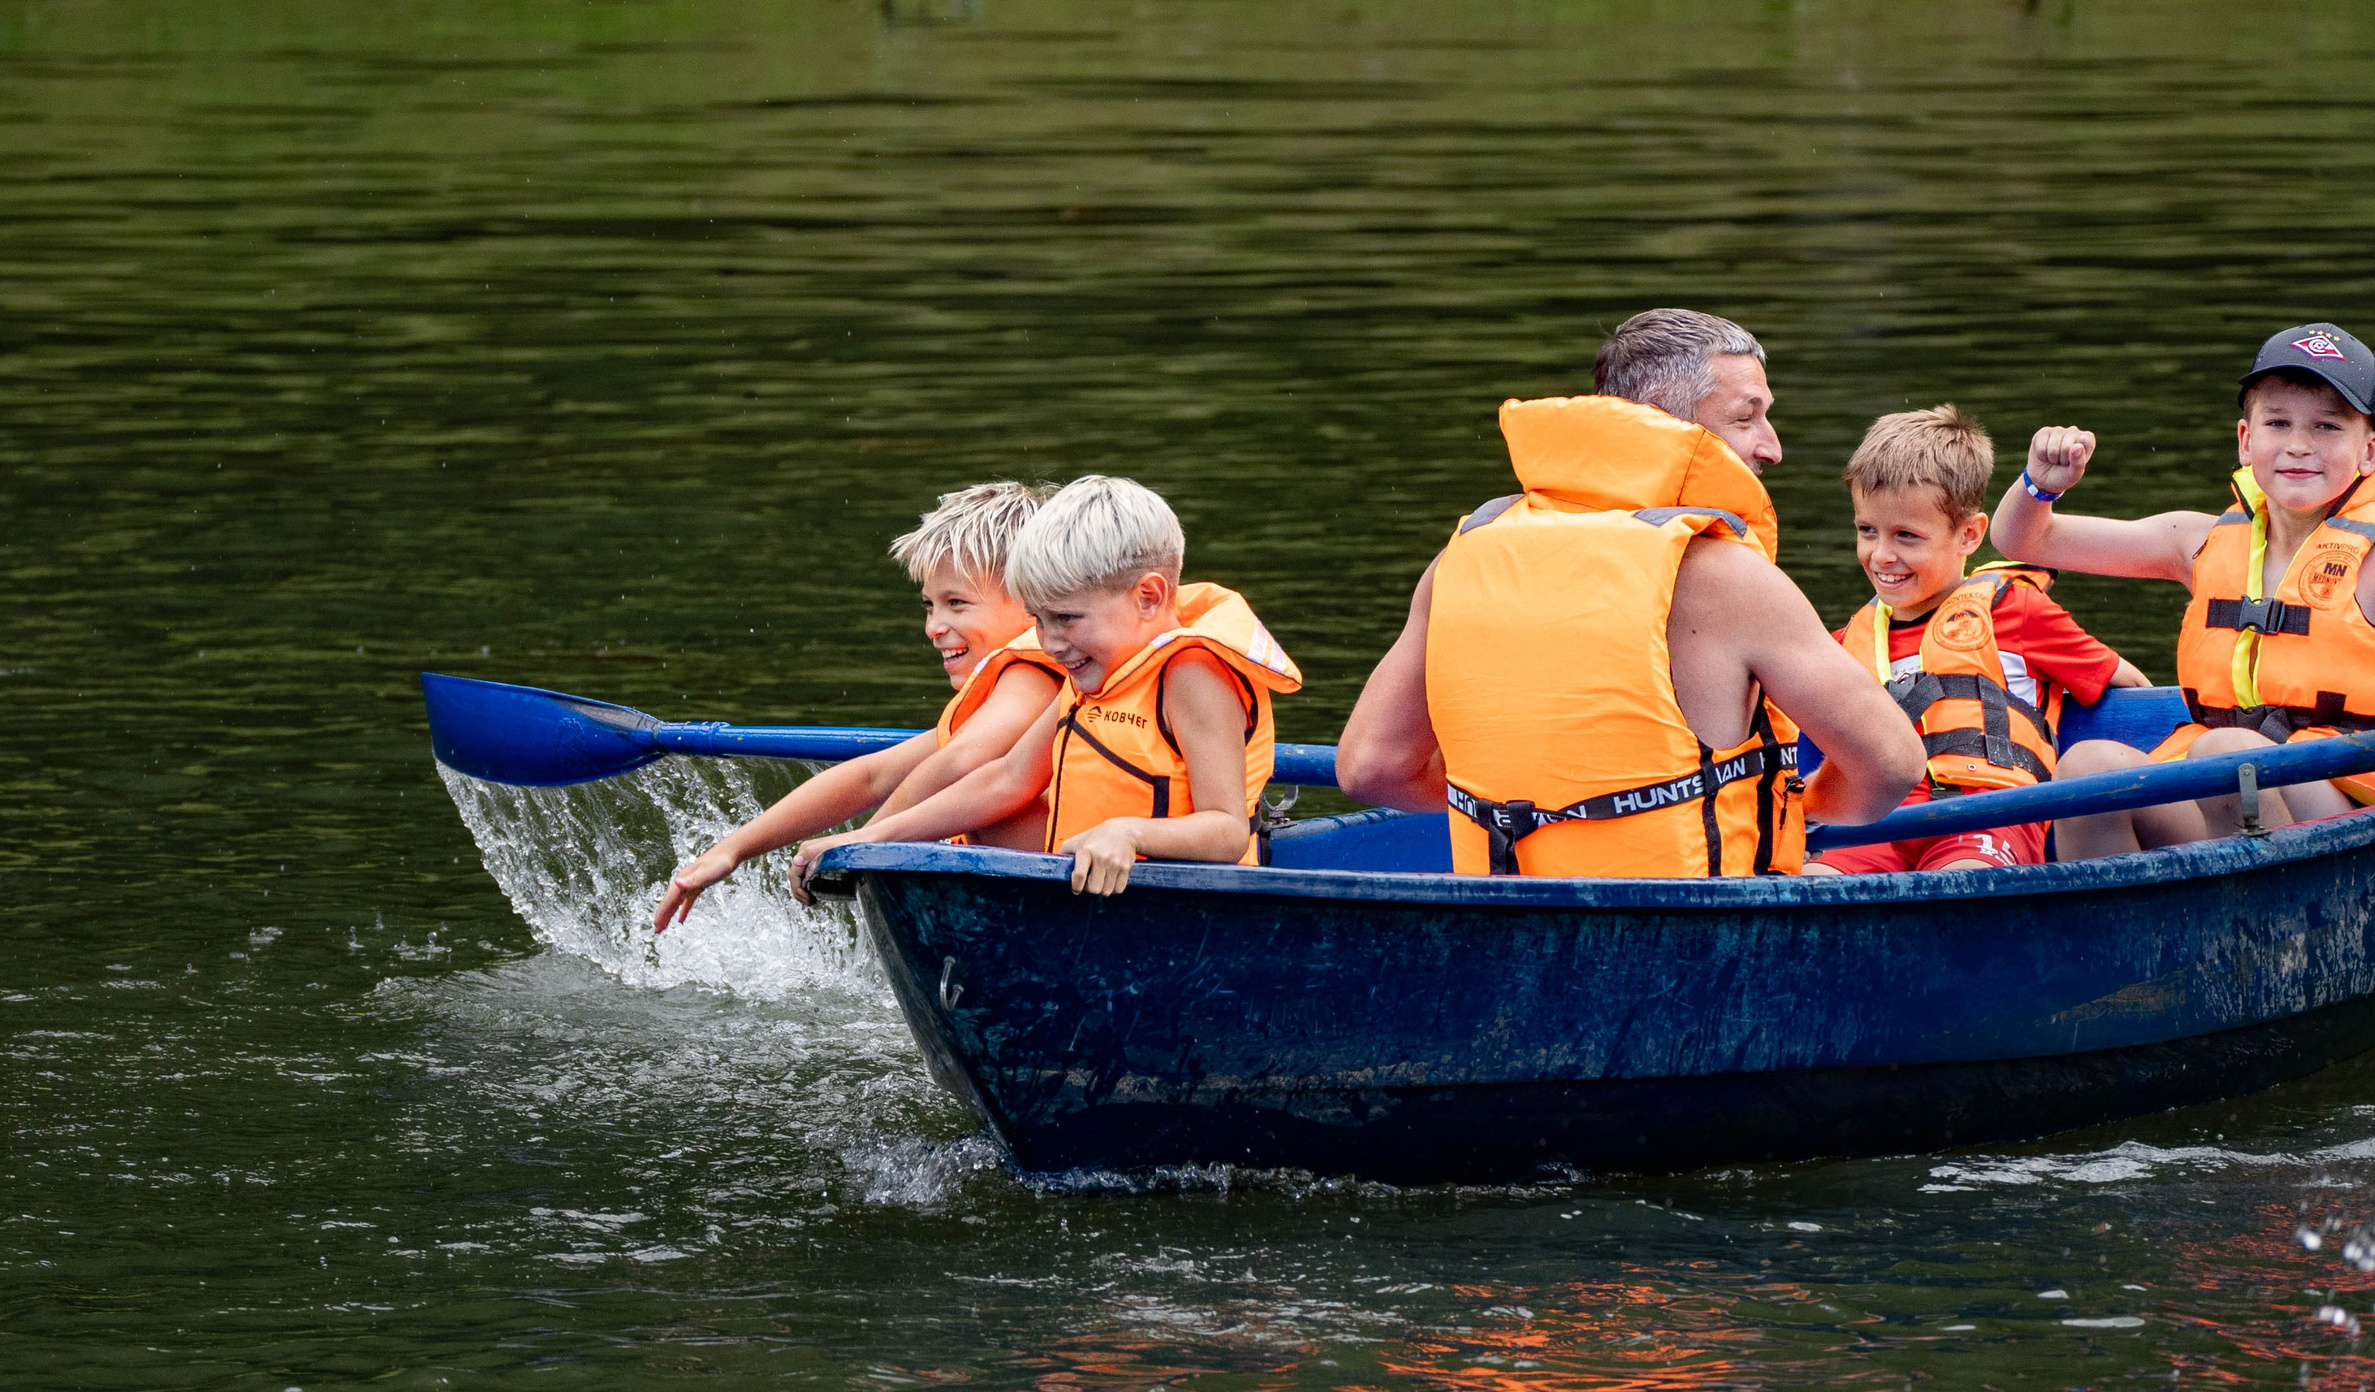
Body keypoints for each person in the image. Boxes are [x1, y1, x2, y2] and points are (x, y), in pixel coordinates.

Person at [1334, 307, 1923, 877]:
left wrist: (1541, 813)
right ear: (1671, 426)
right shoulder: (1729, 577)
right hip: (1690, 925)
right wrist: (1795, 806)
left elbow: (1371, 768)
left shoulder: (1464, 554)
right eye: (1745, 419)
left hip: (1507, 912)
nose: (1771, 447)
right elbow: (1891, 765)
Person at [1990, 322, 2375, 858]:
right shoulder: (2196, 539)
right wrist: (2040, 485)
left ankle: (2264, 931)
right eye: (2278, 423)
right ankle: (2117, 942)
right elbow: (2026, 539)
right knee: (2088, 767)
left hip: (2353, 820)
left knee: (2229, 755)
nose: (2298, 445)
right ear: (2245, 439)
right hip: (2229, 788)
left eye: (2327, 426)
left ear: (2370, 451)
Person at [846, 475, 1302, 896]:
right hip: (1100, 901)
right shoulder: (1096, 670)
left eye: (1066, 619)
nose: (1050, 643)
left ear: (1148, 597)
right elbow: (1007, 779)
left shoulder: (1192, 675)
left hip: (1188, 910)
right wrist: (868, 840)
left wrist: (1129, 832)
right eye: (1039, 621)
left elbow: (1225, 831)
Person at [651, 480, 1064, 931]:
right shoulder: (1005, 697)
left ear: (1033, 603)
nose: (933, 626)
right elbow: (871, 776)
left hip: (1061, 909)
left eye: (957, 604)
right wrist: (731, 849)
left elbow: (965, 759)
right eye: (929, 605)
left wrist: (864, 846)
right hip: (1032, 908)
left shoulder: (1035, 673)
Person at [1804, 406, 2149, 877]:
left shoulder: (2016, 612)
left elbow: (2131, 691)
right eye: (1867, 530)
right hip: (1877, 820)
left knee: (1958, 883)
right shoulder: (1842, 644)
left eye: (1906, 536)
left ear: (1969, 535)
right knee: (1815, 884)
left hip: (1988, 814)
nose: (1881, 555)